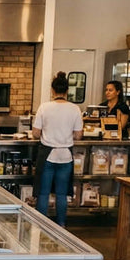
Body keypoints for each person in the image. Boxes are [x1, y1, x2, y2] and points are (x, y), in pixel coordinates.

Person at [32, 71, 83, 227]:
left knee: (43, 192)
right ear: (67, 91)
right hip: (65, 156)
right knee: (61, 194)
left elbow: (35, 133)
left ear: (52, 90)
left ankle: (41, 225)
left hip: (47, 154)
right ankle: (61, 225)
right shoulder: (75, 109)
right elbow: (78, 135)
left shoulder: (44, 107)